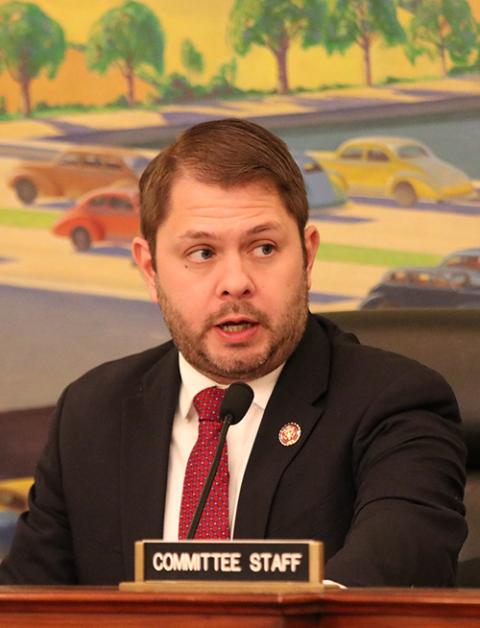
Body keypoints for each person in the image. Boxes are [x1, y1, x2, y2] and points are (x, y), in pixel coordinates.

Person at [0, 119, 466, 587]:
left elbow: (403, 555)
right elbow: (26, 599)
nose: (235, 282)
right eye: (202, 253)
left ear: (307, 256)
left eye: (263, 247)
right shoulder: (93, 411)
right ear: (149, 268)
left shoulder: (394, 403)